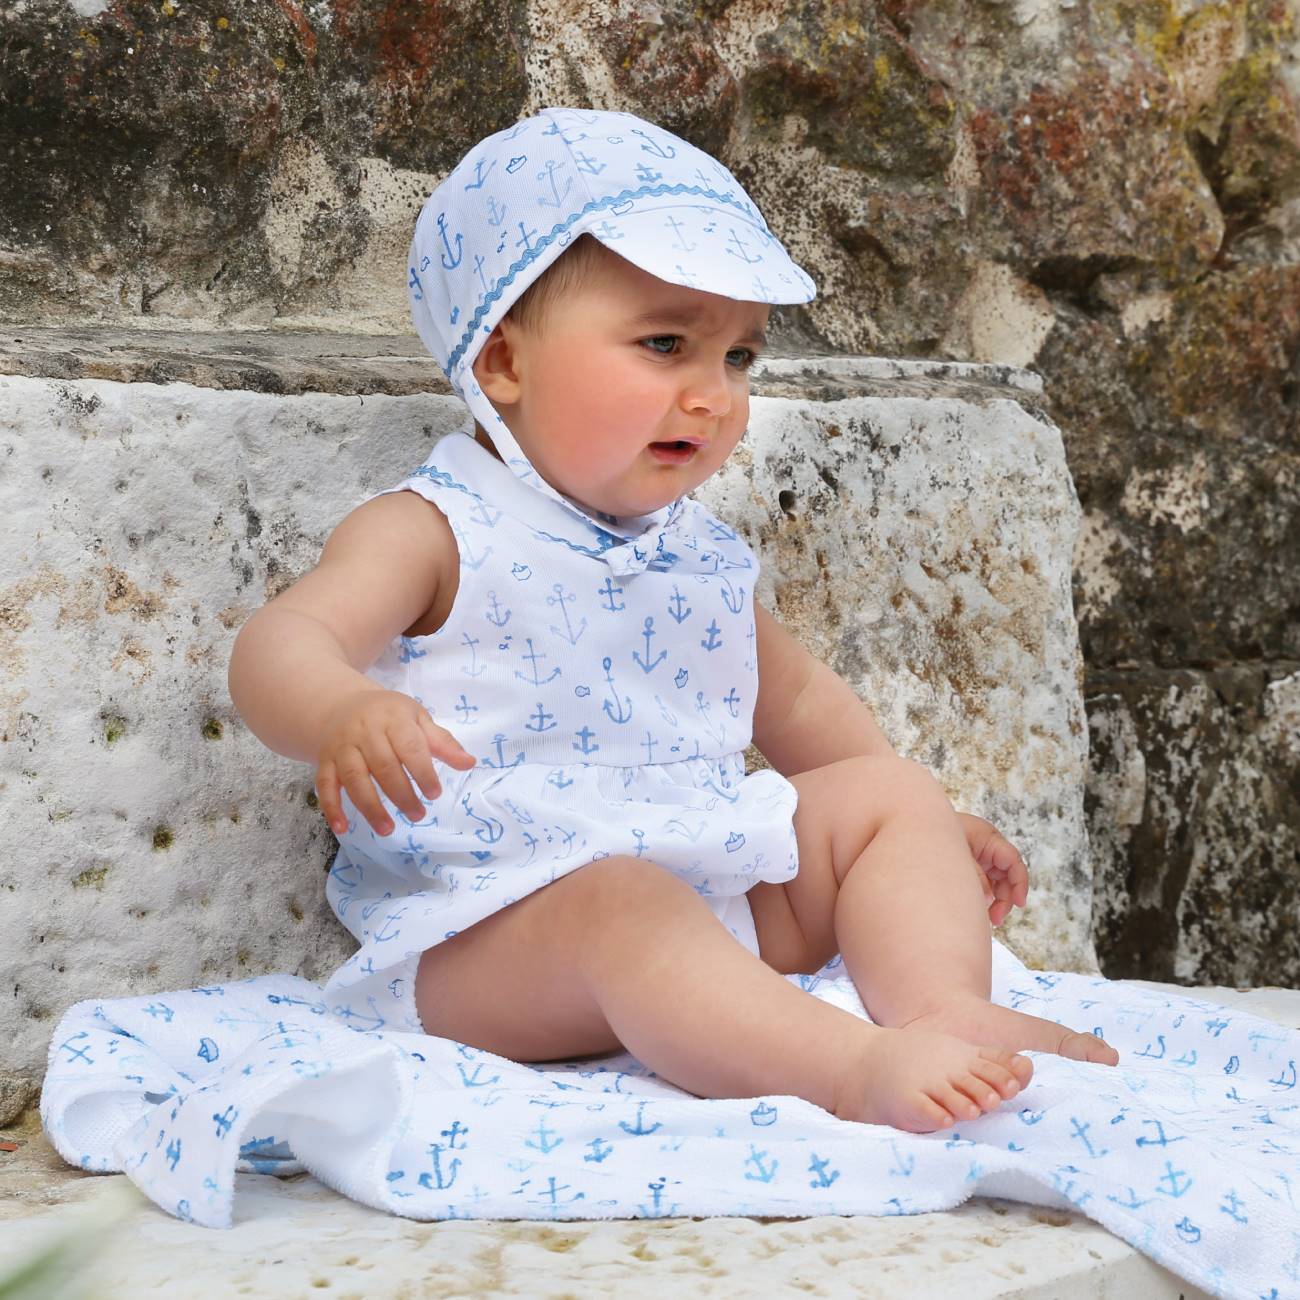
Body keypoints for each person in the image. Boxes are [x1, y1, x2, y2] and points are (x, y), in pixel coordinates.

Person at [228, 106, 1118, 1134]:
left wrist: (922, 835)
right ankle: (851, 1066)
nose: (714, 396)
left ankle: (940, 1003)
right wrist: (340, 708)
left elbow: (799, 703)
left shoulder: (693, 553)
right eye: (666, 345)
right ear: (504, 363)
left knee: (889, 791)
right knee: (623, 905)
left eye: (739, 357)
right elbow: (279, 645)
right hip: (496, 934)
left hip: (703, 886)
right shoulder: (438, 532)